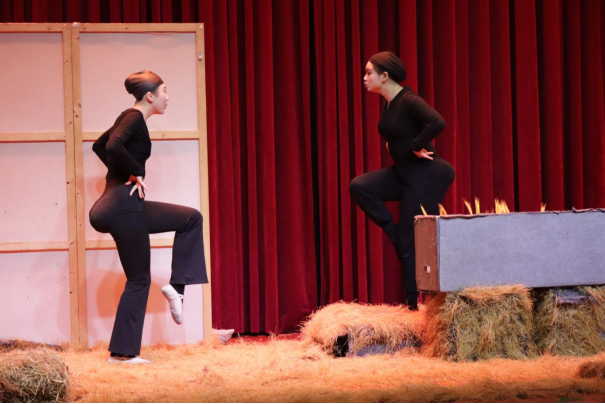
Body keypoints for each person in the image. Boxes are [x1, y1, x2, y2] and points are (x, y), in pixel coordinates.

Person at [89, 70, 208, 364]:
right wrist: (136, 172)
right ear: (150, 96)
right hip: (122, 205)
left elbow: (99, 146)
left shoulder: (128, 117)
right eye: (164, 91)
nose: (168, 97)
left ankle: (176, 289)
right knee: (139, 279)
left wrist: (124, 173)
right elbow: (112, 146)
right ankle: (122, 355)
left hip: (126, 204)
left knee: (191, 219)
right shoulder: (134, 117)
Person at [350, 52, 455, 309]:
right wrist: (394, 144)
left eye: (369, 73)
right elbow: (398, 130)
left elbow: (438, 121)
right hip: (403, 173)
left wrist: (416, 145)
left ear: (385, 76)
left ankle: (412, 304)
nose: (365, 78)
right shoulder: (389, 104)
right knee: (360, 187)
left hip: (424, 175)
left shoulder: (408, 99)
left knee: (412, 240)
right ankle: (395, 232)